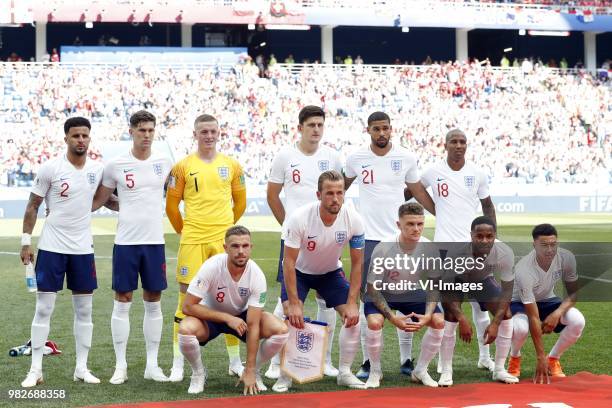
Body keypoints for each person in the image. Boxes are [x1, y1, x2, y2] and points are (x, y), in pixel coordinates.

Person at [344, 111, 435, 379]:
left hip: (399, 238)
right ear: (368, 130)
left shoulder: (405, 157)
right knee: (370, 299)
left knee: (404, 292)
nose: (381, 133)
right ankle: (369, 363)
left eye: (385, 128)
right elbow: (340, 187)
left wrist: (438, 212)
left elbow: (417, 190)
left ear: (391, 129)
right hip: (369, 238)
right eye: (376, 129)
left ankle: (407, 360)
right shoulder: (355, 159)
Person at [20, 117, 104, 387]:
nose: (81, 140)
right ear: (66, 138)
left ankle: (81, 368)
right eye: (76, 136)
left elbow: (108, 199)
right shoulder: (50, 168)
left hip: (82, 249)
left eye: (85, 136)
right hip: (52, 247)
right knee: (44, 308)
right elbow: (33, 205)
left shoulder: (97, 169)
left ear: (90, 138)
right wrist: (25, 242)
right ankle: (35, 370)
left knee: (85, 310)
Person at [92, 110, 173, 384]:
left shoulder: (165, 161)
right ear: (131, 131)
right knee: (123, 300)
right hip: (126, 242)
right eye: (142, 130)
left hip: (154, 243)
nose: (147, 135)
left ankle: (152, 365)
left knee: (153, 300)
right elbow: (100, 199)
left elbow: (174, 195)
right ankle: (120, 365)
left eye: (151, 130)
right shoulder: (116, 164)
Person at [166, 114, 247, 382]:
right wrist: (186, 231)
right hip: (193, 240)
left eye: (213, 131)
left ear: (219, 132)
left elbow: (241, 202)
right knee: (184, 299)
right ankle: (178, 362)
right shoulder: (182, 167)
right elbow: (171, 206)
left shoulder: (232, 165)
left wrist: (224, 228)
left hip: (222, 240)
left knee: (228, 298)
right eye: (204, 132)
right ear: (195, 133)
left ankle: (235, 361)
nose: (209, 136)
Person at [266, 105, 343, 379]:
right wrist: (288, 228)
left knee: (328, 301)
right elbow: (272, 195)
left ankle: (327, 360)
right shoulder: (285, 156)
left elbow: (337, 196)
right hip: (295, 241)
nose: (316, 130)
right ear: (300, 128)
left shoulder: (332, 157)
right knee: (285, 301)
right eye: (311, 125)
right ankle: (275, 363)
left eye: (320, 125)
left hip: (326, 240)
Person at [272, 170, 366, 392]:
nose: (335, 198)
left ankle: (344, 372)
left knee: (354, 317)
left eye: (340, 193)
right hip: (299, 273)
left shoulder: (354, 219)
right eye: (330, 193)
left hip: (330, 273)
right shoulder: (299, 218)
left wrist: (352, 302)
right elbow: (288, 263)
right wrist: (294, 302)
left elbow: (357, 264)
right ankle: (285, 375)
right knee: (291, 315)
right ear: (318, 194)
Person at [420, 128, 497, 374]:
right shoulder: (433, 172)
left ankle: (485, 357)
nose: (459, 145)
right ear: (445, 145)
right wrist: (435, 210)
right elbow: (410, 190)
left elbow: (487, 205)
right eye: (454, 141)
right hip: (444, 248)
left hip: (473, 249)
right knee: (452, 307)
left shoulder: (477, 173)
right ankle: (446, 367)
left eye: (463, 141)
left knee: (480, 305)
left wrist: (491, 238)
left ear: (467, 145)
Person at [179, 226, 289, 394]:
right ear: (225, 248)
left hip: (243, 318)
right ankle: (198, 373)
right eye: (235, 246)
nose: (240, 251)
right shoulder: (212, 267)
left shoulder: (257, 275)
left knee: (280, 330)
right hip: (212, 317)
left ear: (251, 247)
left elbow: (252, 325)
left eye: (245, 246)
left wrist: (251, 369)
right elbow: (187, 306)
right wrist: (226, 318)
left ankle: (253, 371)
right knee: (185, 329)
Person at [363, 203, 444, 388]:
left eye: (420, 224)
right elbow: (372, 289)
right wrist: (393, 318)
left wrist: (429, 315)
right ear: (399, 225)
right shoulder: (384, 248)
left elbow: (433, 286)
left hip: (410, 291)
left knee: (439, 322)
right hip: (382, 292)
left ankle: (420, 371)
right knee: (374, 322)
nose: (416, 229)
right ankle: (375, 371)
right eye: (410, 224)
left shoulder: (429, 248)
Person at [438, 216, 518, 386]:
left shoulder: (505, 252)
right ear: (471, 236)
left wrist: (495, 323)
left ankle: (499, 369)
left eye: (489, 236)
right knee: (451, 316)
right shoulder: (457, 252)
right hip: (455, 283)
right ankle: (446, 370)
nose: (484, 240)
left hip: (482, 280)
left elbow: (507, 291)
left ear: (495, 236)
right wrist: (462, 318)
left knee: (505, 315)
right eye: (479, 236)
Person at [508, 224, 585, 383]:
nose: (549, 249)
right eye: (544, 245)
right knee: (521, 329)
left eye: (553, 244)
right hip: (519, 302)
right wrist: (539, 356)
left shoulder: (566, 258)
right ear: (534, 244)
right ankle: (515, 357)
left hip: (548, 300)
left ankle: (553, 358)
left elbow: (573, 294)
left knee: (577, 321)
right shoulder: (524, 269)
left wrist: (556, 313)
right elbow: (533, 316)